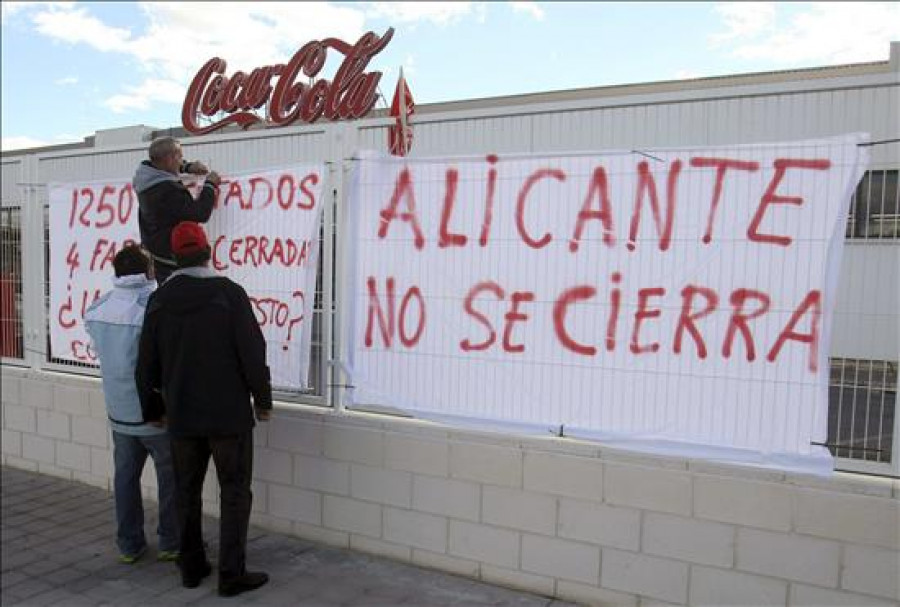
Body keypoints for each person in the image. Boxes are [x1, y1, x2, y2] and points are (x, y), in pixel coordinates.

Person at [136, 221, 273, 598]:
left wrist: (153, 408)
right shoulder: (229, 294)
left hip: (182, 415)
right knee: (233, 492)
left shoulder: (160, 299)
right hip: (228, 416)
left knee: (186, 491)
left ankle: (192, 567)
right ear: (208, 250)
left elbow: (145, 363)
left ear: (175, 256)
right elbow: (252, 353)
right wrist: (263, 400)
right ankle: (231, 574)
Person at [83, 244, 179, 565]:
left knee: (125, 477)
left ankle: (129, 544)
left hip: (118, 413)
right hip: (155, 413)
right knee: (170, 478)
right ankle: (170, 541)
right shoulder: (153, 307)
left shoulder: (96, 309)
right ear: (148, 271)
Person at [133, 136, 221, 283]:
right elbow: (199, 213)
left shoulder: (145, 178)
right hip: (170, 259)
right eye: (180, 157)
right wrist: (210, 185)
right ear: (169, 159)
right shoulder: (168, 191)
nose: (182, 161)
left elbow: (162, 167)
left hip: (156, 252)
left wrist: (187, 167)